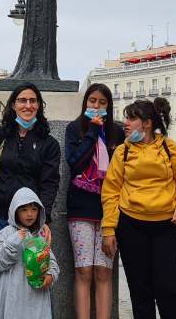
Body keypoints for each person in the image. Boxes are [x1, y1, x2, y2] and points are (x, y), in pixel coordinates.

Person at [0, 84, 62, 318]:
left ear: (39, 105)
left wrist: (44, 219)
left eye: (32, 100)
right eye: (22, 100)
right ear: (13, 105)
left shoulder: (49, 143)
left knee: (34, 280)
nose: (27, 105)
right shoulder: (0, 135)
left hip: (28, 224)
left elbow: (50, 184)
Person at [100, 98, 176, 319]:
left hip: (168, 227)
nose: (126, 123)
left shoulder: (169, 147)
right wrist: (108, 230)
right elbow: (111, 192)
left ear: (148, 123)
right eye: (126, 118)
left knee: (168, 290)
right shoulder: (122, 152)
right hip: (131, 226)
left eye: (132, 118)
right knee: (140, 291)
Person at [63, 83, 123, 319]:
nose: (96, 106)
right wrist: (92, 132)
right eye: (92, 101)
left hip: (109, 209)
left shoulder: (117, 132)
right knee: (84, 271)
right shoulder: (74, 128)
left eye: (102, 102)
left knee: (103, 272)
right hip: (80, 207)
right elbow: (75, 163)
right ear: (85, 102)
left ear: (109, 105)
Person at [0, 187, 58, 319]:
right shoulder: (5, 233)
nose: (30, 214)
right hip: (13, 299)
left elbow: (51, 261)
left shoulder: (40, 235)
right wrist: (14, 241)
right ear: (15, 211)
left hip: (36, 298)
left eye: (34, 209)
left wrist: (51, 274)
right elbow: (0, 262)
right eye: (24, 209)